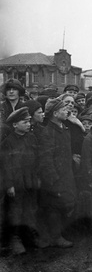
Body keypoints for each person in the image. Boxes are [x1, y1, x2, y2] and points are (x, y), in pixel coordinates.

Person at [1, 108, 48, 254]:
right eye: (24, 122)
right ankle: (15, 239)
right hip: (17, 183)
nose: (28, 125)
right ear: (15, 125)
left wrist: (38, 178)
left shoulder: (31, 138)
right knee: (16, 211)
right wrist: (9, 185)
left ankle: (29, 237)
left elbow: (37, 160)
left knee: (31, 209)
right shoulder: (8, 142)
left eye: (29, 121)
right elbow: (6, 166)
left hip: (30, 180)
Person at [38, 97, 76, 248]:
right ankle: (55, 236)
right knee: (54, 207)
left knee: (65, 204)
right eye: (63, 109)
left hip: (66, 174)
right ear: (54, 113)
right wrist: (53, 181)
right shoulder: (48, 133)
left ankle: (59, 233)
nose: (67, 111)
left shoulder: (63, 129)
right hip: (55, 178)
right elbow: (46, 160)